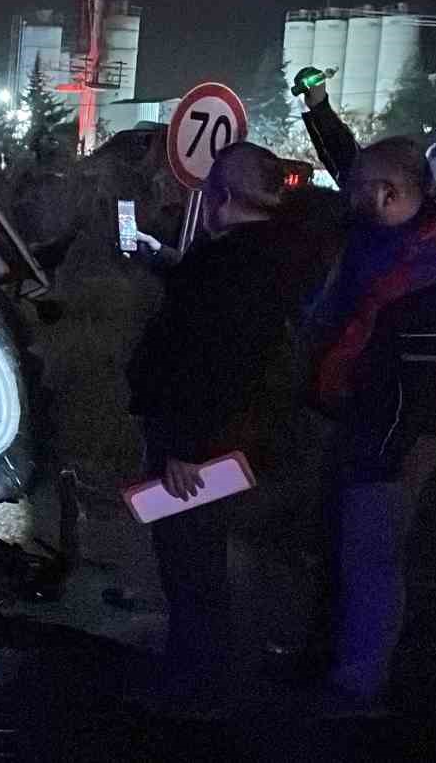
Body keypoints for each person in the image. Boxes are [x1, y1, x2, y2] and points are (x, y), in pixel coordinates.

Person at [294, 68, 436, 713]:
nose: (356, 199)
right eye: (360, 190)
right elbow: (350, 164)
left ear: (402, 193)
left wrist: (386, 456)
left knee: (370, 555)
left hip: (394, 431)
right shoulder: (391, 217)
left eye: (373, 191)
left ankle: (357, 687)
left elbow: (417, 384)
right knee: (336, 544)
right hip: (356, 413)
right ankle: (325, 657)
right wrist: (317, 108)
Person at [124, 142, 317, 712]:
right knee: (197, 560)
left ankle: (192, 688)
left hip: (197, 446)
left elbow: (210, 360)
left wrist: (185, 447)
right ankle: (197, 675)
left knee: (192, 564)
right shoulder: (264, 256)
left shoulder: (229, 267)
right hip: (224, 437)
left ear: (222, 197)